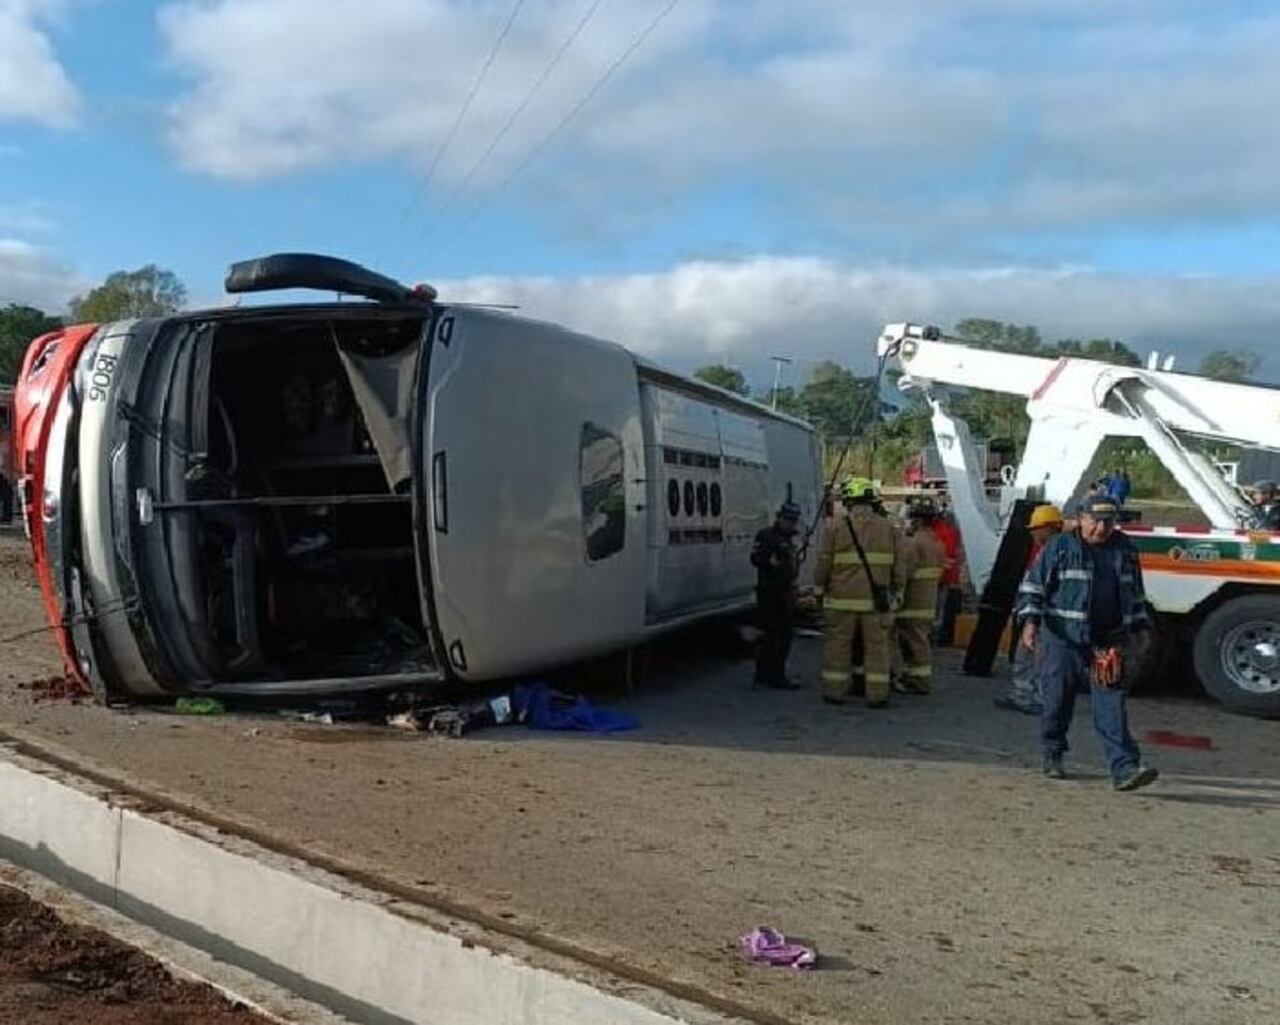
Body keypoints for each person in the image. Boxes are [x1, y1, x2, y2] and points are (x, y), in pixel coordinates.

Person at [1016, 494, 1158, 791]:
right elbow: (1033, 587)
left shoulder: (1125, 550)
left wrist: (1141, 628)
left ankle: (1125, 768)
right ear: (1081, 519)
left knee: (1111, 704)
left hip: (1108, 640)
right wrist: (1030, 622)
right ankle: (1053, 753)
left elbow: (1135, 594)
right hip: (1062, 639)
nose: (1101, 528)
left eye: (1108, 522)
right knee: (1056, 701)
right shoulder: (1060, 547)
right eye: (1095, 521)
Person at [815, 478, 903, 708]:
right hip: (876, 602)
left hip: (841, 601)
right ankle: (877, 695)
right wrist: (897, 590)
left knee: (838, 646)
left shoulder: (835, 526)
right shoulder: (888, 527)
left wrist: (818, 589)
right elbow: (899, 565)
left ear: (848, 500)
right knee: (877, 648)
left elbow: (824, 562)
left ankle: (834, 692)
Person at [994, 504, 1064, 714]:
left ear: (1048, 528)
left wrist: (1032, 615)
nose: (1032, 532)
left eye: (1036, 528)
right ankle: (1025, 695)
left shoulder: (1054, 552)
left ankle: (1035, 698)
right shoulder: (1050, 550)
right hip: (1039, 613)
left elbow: (1042, 585)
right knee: (1028, 655)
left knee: (1036, 656)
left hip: (1044, 615)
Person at [893, 498, 945, 695]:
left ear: (918, 520)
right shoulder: (936, 543)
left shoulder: (914, 544)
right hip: (928, 602)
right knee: (919, 640)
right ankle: (914, 677)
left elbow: (903, 574)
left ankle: (920, 682)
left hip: (912, 603)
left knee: (913, 642)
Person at [750, 502, 803, 689]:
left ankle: (773, 672)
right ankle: (768, 675)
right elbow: (756, 558)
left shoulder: (789, 539)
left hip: (785, 593)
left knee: (784, 636)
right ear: (779, 517)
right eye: (787, 519)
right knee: (771, 636)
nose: (790, 523)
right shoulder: (767, 536)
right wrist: (772, 563)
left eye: (793, 520)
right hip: (770, 593)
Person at [930, 510, 963, 645]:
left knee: (934, 609)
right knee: (940, 610)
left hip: (934, 579)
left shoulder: (934, 534)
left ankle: (933, 637)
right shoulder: (950, 532)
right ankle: (937, 637)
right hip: (946, 578)